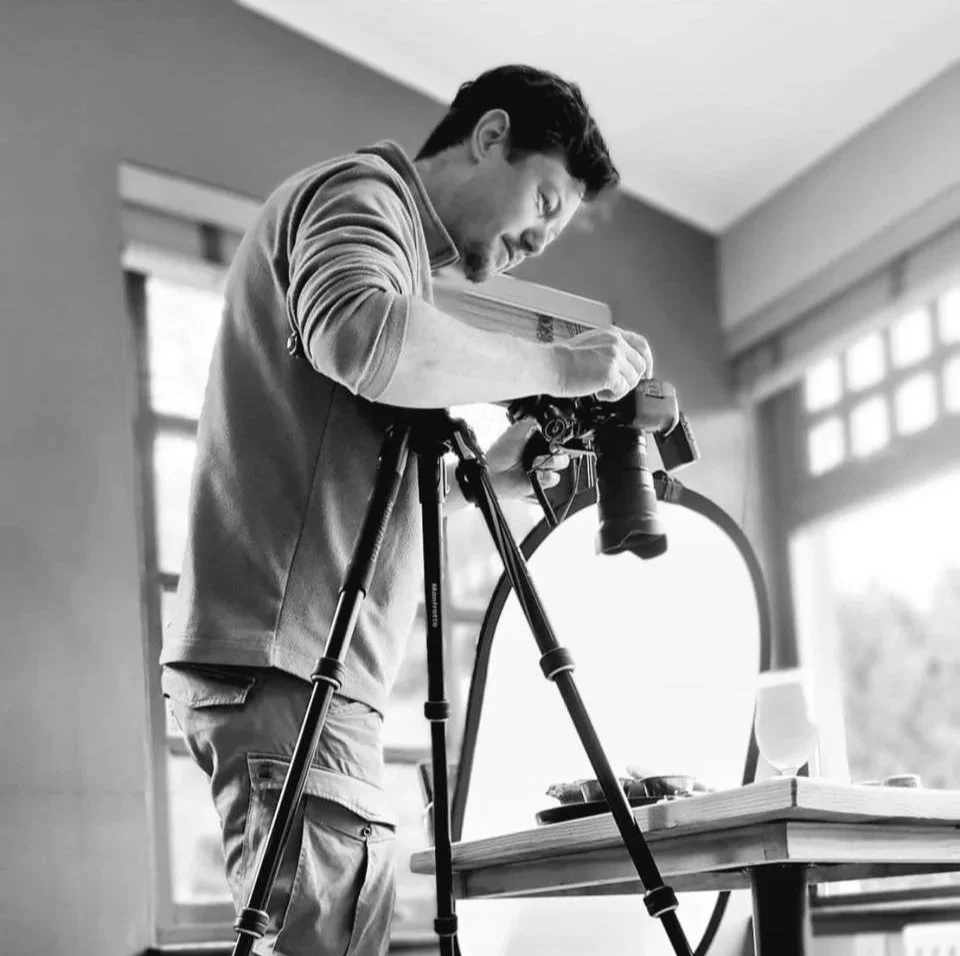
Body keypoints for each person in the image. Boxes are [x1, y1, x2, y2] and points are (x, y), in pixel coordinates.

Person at [160, 64, 653, 956]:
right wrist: (564, 366)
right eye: (543, 199)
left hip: (304, 672)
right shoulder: (363, 194)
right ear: (490, 134)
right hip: (291, 669)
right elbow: (366, 338)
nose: (540, 238)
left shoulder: (403, 266)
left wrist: (486, 486)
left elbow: (354, 502)